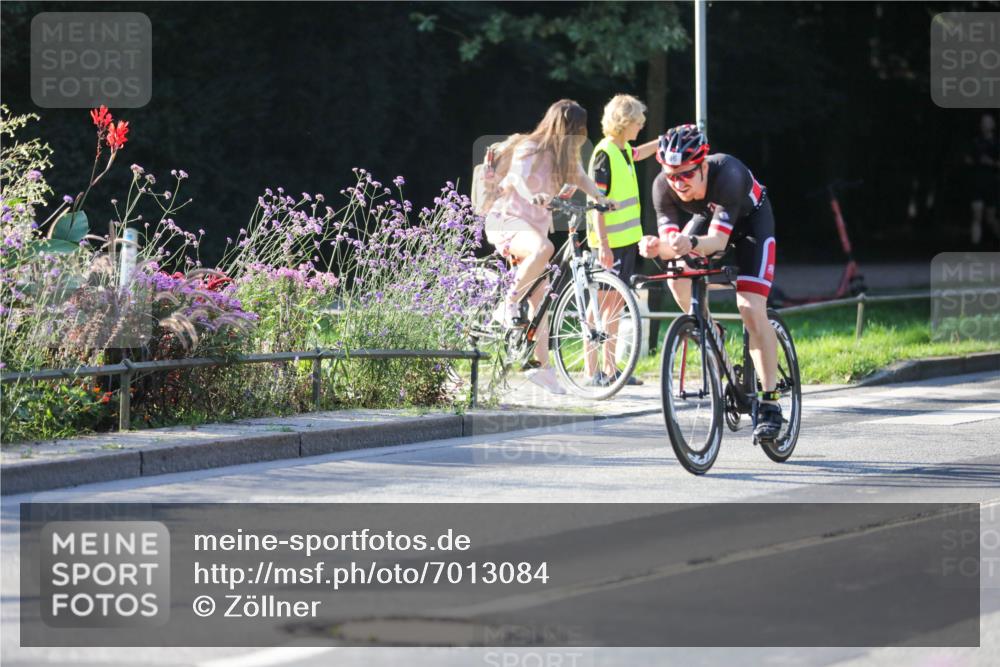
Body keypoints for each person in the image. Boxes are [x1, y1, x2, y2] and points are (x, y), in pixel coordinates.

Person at [637, 124, 783, 440]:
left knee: (750, 307)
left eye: (687, 174)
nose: (678, 183)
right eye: (671, 175)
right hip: (709, 219)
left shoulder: (729, 173)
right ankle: (710, 330)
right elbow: (672, 245)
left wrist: (688, 243)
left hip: (751, 226)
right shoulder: (662, 186)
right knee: (677, 276)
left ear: (703, 165)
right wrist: (655, 246)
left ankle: (770, 403)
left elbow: (717, 241)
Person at [484, 99, 613, 395]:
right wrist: (533, 195)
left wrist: (601, 199)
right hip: (508, 221)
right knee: (544, 249)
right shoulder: (530, 147)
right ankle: (508, 303)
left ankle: (541, 369)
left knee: (542, 300)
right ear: (564, 127)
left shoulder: (565, 158)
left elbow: (582, 179)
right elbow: (517, 178)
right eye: (577, 128)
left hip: (534, 228)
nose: (581, 134)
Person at [584, 94, 659, 387]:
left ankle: (611, 369)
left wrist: (663, 142)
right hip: (609, 243)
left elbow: (638, 153)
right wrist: (603, 244)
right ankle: (591, 371)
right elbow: (597, 202)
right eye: (638, 122)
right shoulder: (604, 153)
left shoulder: (623, 148)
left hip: (626, 241)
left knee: (615, 305)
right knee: (599, 305)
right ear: (624, 122)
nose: (641, 126)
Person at [968, 112, 999, 247]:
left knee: (990, 219)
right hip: (977, 182)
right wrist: (971, 161)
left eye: (987, 122)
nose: (984, 124)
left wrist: (991, 162)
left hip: (992, 183)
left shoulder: (997, 143)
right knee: (977, 216)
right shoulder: (975, 141)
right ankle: (974, 247)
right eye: (982, 122)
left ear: (993, 125)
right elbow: (969, 158)